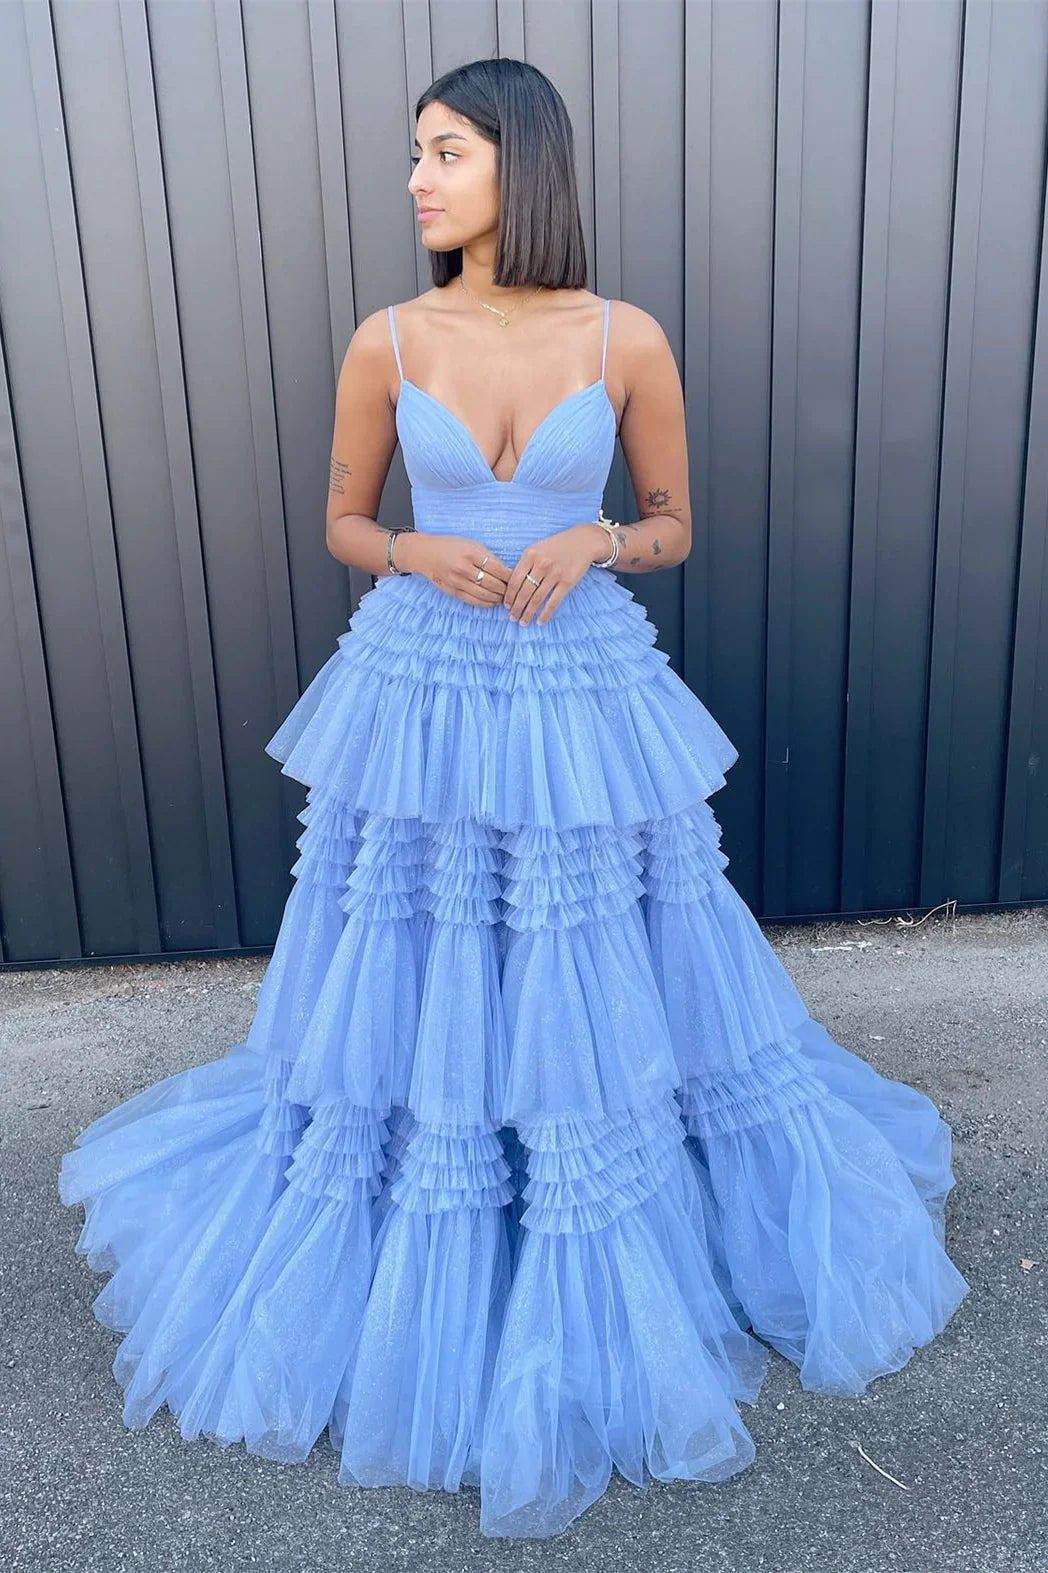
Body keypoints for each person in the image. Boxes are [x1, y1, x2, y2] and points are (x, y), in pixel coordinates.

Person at [58, 56, 969, 1541]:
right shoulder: (388, 337)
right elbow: (343, 518)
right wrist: (411, 550)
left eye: (447, 152)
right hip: (421, 679)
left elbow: (674, 521)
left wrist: (597, 538)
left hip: (575, 682)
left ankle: (592, 1173)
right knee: (414, 927)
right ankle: (436, 1186)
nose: (418, 179)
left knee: (587, 933)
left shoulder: (624, 336)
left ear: (519, 163)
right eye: (417, 154)